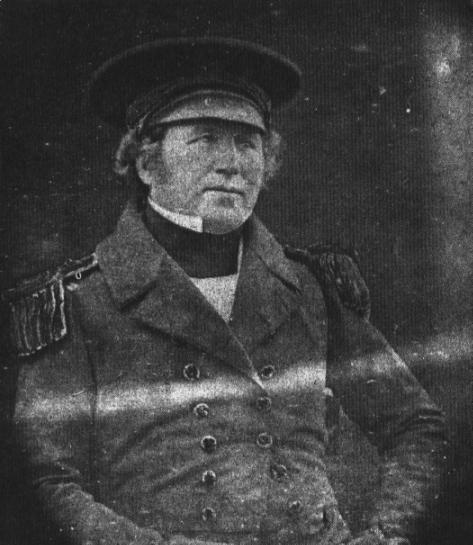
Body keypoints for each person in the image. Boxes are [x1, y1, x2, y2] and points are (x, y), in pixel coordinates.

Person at [4, 37, 448, 545]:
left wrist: (388, 533)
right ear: (147, 165)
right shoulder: (83, 303)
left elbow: (416, 426)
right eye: (206, 139)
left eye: (247, 142)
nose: (232, 163)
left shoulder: (311, 289)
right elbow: (45, 482)